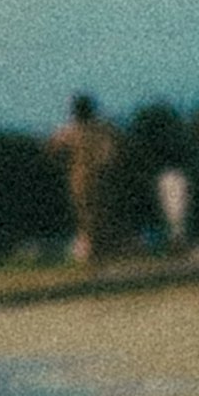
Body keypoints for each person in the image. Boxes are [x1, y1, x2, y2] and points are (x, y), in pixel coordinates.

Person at [51, 94, 122, 268]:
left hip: (81, 180)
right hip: (99, 178)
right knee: (99, 216)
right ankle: (99, 254)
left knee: (88, 217)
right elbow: (112, 153)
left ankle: (94, 254)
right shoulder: (103, 129)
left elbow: (53, 148)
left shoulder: (70, 130)